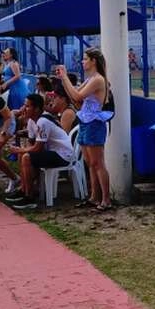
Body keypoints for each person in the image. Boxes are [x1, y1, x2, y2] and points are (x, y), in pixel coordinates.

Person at [55, 48, 114, 209]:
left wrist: (65, 77)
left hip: (94, 122)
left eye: (85, 59)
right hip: (85, 121)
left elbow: (77, 96)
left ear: (93, 61)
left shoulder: (98, 80)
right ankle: (94, 196)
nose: (83, 61)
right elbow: (74, 96)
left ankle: (106, 199)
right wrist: (63, 80)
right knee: (90, 162)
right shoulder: (90, 79)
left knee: (98, 162)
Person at [4, 93, 76, 208]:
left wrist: (20, 150)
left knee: (26, 157)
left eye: (27, 106)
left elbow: (38, 147)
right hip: (52, 151)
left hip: (63, 155)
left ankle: (30, 198)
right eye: (24, 105)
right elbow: (32, 142)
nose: (24, 109)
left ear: (37, 109)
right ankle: (25, 189)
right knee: (23, 156)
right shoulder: (32, 121)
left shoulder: (43, 121)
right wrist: (21, 149)